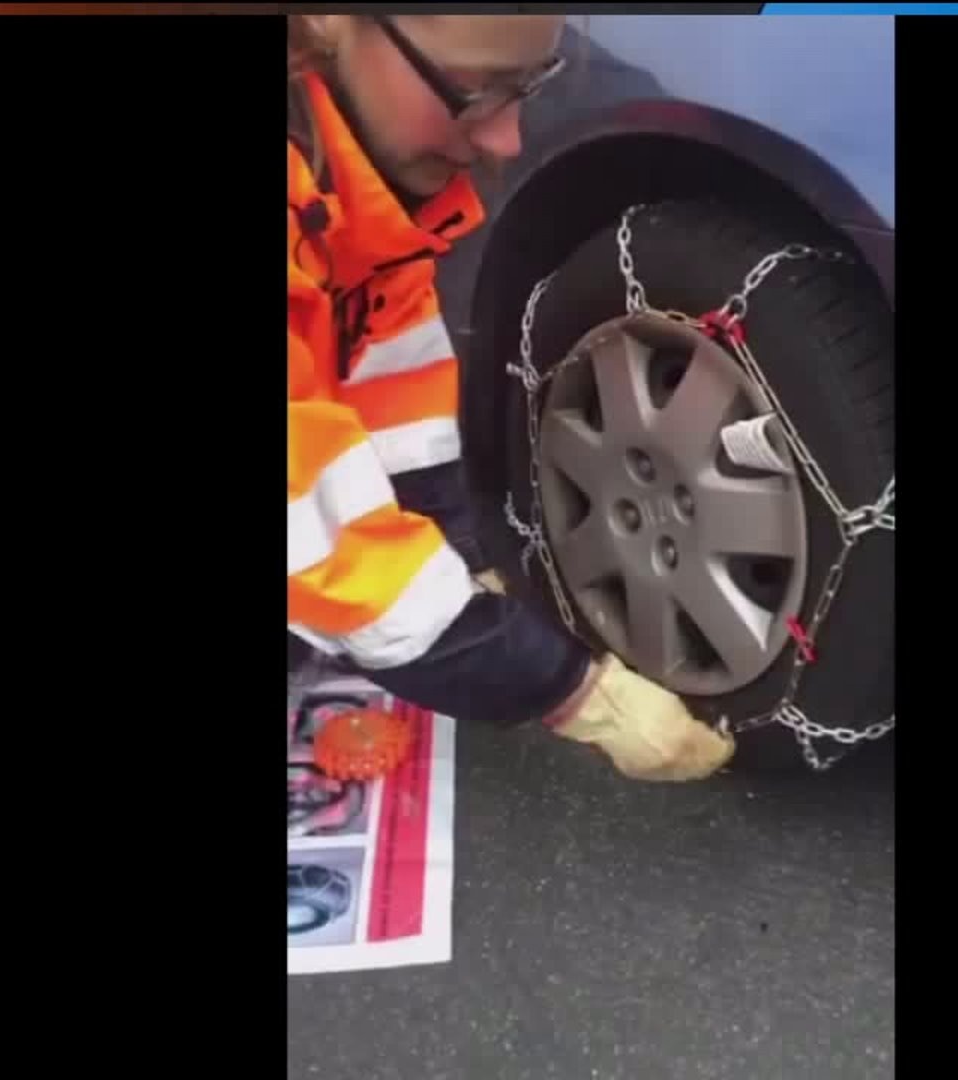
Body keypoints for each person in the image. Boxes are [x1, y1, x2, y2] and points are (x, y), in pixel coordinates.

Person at [286, 13, 734, 782]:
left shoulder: (364, 201)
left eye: (526, 88)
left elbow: (392, 401)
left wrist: (462, 557)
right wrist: (571, 691)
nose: (507, 139)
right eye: (478, 91)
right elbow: (309, 534)